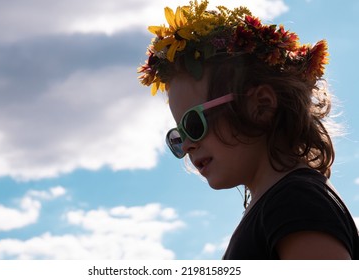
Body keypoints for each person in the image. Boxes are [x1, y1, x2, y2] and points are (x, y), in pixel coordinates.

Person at [137, 0, 359, 259]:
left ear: (261, 106)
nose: (186, 146)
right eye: (179, 135)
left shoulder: (295, 203)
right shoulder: (279, 204)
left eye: (194, 124)